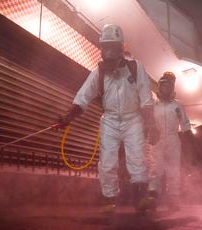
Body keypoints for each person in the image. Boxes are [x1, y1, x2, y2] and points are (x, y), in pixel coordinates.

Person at [57, 24, 158, 213]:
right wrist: (67, 118)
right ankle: (109, 200)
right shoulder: (99, 73)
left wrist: (151, 127)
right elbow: (82, 98)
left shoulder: (136, 69)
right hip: (110, 120)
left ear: (121, 48)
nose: (108, 52)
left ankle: (140, 199)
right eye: (105, 47)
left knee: (137, 158)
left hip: (133, 118)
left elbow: (146, 101)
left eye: (112, 47)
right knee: (108, 160)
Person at [148, 71, 192, 211]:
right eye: (163, 85)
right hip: (157, 139)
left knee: (173, 170)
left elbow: (185, 124)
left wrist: (189, 141)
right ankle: (152, 197)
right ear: (159, 87)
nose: (165, 88)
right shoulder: (153, 104)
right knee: (156, 168)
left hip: (173, 139)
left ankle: (173, 199)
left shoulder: (178, 105)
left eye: (169, 86)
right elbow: (147, 121)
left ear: (172, 88)